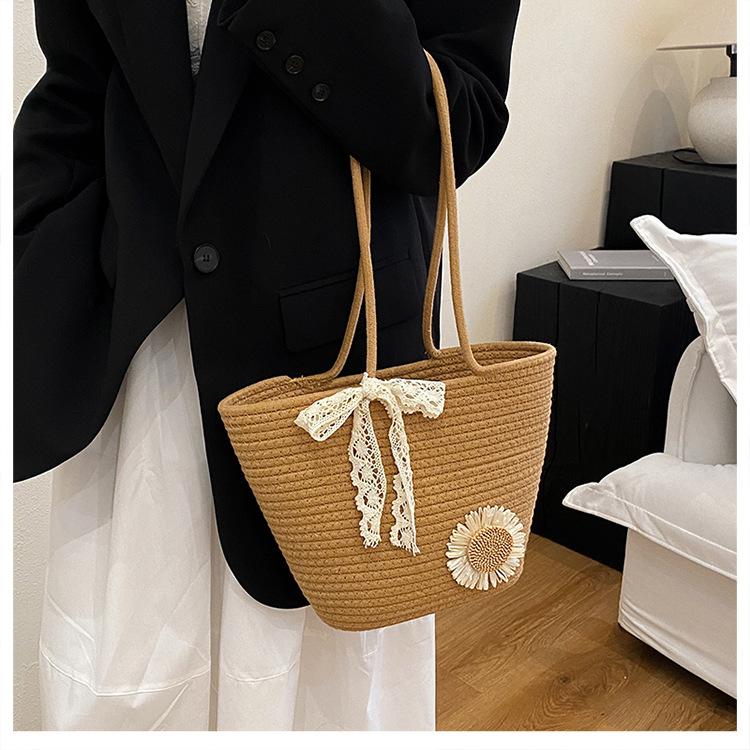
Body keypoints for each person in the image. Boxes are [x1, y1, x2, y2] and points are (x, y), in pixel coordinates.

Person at [14, 0, 521, 730]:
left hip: (332, 377)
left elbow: (455, 121)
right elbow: (73, 87)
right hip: (138, 364)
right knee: (129, 679)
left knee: (318, 692)